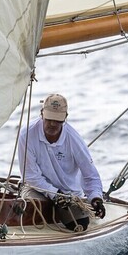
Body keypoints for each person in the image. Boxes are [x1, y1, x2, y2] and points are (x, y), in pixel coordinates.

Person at [18, 93, 106, 231]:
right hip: (38, 189)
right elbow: (30, 176)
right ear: (42, 114)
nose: (53, 124)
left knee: (79, 225)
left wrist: (96, 198)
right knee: (29, 209)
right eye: (49, 119)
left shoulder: (73, 139)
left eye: (58, 120)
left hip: (68, 195)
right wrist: (54, 193)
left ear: (65, 117)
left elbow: (90, 175)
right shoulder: (27, 134)